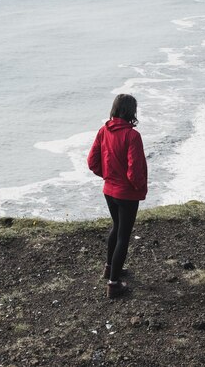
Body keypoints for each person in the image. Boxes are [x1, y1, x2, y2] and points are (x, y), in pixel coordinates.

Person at [87, 93, 148, 298]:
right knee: (123, 235)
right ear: (131, 111)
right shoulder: (132, 136)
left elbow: (92, 162)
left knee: (116, 227)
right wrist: (137, 187)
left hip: (109, 190)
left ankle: (109, 268)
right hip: (126, 193)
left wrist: (108, 176)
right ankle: (113, 284)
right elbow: (134, 170)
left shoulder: (104, 131)